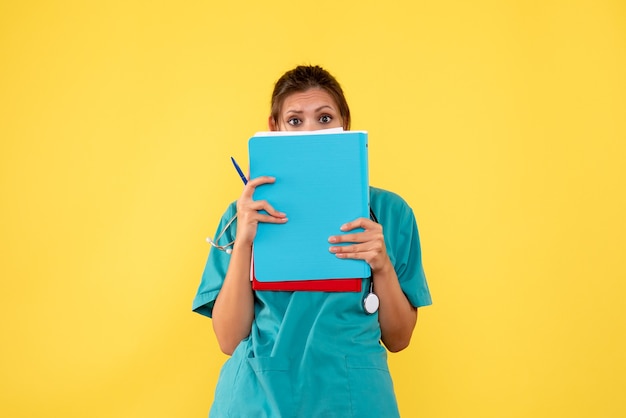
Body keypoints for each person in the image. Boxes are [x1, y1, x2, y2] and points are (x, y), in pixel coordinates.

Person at [193, 65, 432, 417]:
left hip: (353, 399)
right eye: (294, 120)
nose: (310, 131)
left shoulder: (390, 213)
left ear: (344, 126)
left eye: (324, 118)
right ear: (273, 127)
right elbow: (228, 340)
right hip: (256, 400)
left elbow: (399, 339)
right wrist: (244, 243)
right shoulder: (242, 215)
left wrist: (381, 265)